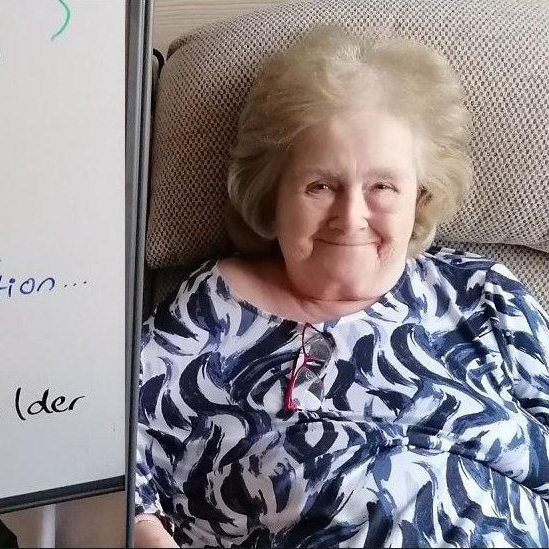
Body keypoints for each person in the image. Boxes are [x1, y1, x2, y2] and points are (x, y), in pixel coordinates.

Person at [134, 26, 549, 548]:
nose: (351, 217)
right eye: (321, 185)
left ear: (419, 197)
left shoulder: (481, 293)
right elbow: (112, 458)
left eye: (382, 186)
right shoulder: (212, 310)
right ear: (273, 193)